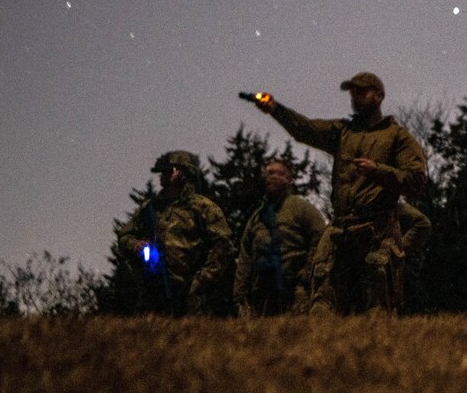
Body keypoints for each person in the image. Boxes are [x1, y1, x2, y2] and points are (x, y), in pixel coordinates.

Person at [251, 72, 427, 315]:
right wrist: (276, 109)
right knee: (321, 307)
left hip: (378, 232)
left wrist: (378, 171)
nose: (355, 98)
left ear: (379, 96)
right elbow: (305, 129)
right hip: (340, 231)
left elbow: (415, 180)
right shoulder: (343, 132)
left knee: (377, 313)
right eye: (352, 93)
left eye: (362, 92)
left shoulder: (397, 137)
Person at [117, 150, 234, 316]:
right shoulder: (151, 208)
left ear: (185, 173)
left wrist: (203, 279)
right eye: (162, 172)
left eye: (169, 171)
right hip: (153, 288)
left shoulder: (202, 207)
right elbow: (124, 235)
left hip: (190, 291)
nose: (163, 176)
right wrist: (135, 245)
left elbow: (223, 243)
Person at [235, 157, 326, 316]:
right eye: (270, 173)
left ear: (289, 179)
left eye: (280, 173)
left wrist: (308, 273)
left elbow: (321, 238)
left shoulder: (301, 208)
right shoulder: (257, 218)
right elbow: (245, 257)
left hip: (296, 290)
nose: (273, 176)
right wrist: (240, 293)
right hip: (262, 293)